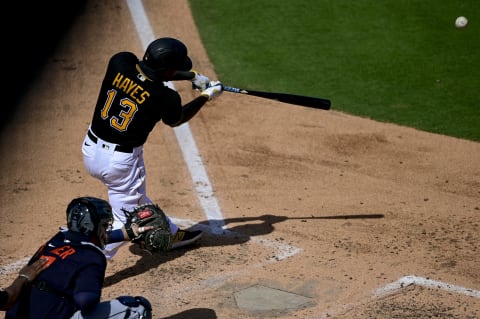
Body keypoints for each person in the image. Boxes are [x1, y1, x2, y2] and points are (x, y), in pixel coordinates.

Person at [82, 37, 223, 259]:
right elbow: (177, 119)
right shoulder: (165, 97)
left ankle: (171, 234)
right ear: (167, 70)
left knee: (136, 199)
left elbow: (148, 73)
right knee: (126, 219)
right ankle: (83, 261)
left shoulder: (120, 61)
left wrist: (192, 76)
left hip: (91, 150)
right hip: (119, 165)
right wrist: (206, 96)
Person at [5, 197, 153, 319]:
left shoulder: (56, 240)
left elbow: (83, 238)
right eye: (104, 225)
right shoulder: (92, 257)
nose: (106, 229)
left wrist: (126, 233)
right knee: (136, 309)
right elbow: (85, 301)